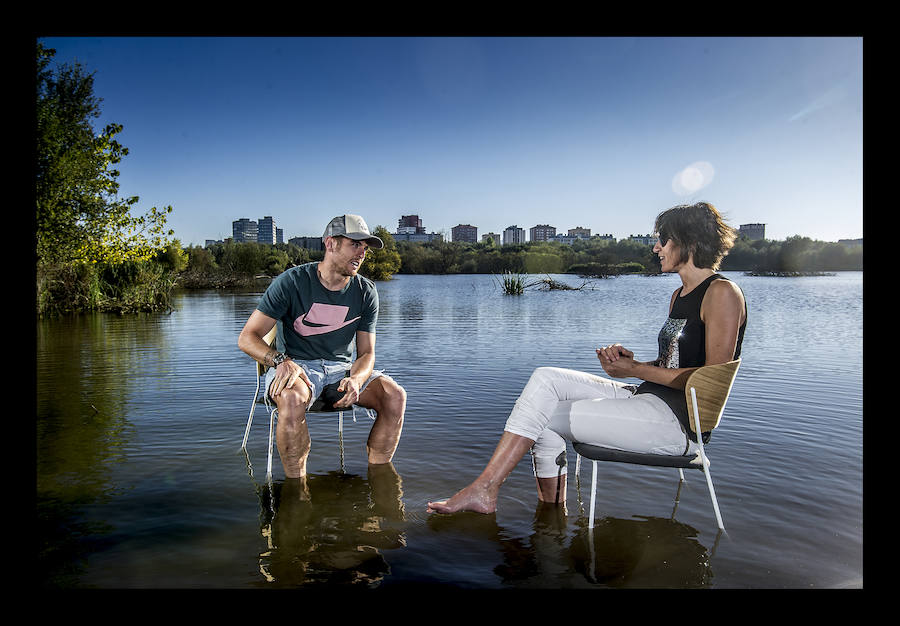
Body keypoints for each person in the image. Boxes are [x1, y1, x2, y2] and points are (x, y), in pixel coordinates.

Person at [427, 202, 747, 514]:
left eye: (662, 239)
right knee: (545, 378)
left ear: (689, 242)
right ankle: (544, 514)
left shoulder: (721, 292)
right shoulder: (679, 295)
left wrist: (635, 370)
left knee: (544, 420)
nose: (655, 248)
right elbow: (675, 364)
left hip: (679, 425)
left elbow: (710, 380)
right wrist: (632, 365)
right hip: (648, 399)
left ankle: (501, 497)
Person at [238, 214, 406, 478]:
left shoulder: (365, 292)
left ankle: (380, 483)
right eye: (355, 244)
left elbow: (367, 353)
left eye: (365, 247)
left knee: (395, 395)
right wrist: (281, 361)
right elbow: (247, 338)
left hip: (342, 371)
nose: (362, 253)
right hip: (298, 367)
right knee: (292, 399)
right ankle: (298, 492)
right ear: (331, 244)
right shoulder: (291, 282)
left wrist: (357, 379)